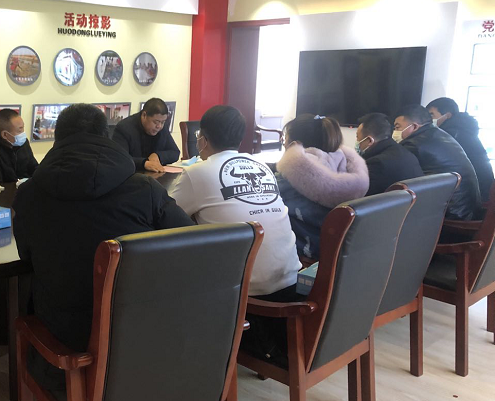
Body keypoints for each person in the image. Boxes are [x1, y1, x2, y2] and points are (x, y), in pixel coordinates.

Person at [13, 103, 193, 390]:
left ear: (57, 138)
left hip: (63, 334)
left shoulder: (28, 195)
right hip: (138, 329)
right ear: (105, 136)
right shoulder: (145, 190)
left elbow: (27, 257)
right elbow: (190, 241)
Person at [170, 105, 301, 297]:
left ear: (203, 140)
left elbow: (166, 217)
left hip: (240, 293)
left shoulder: (196, 172)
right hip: (291, 281)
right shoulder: (261, 165)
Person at [275, 115, 369, 260]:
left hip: (303, 258)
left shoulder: (286, 182)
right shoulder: (346, 169)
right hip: (341, 257)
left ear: (294, 144)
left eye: (284, 139)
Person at [394, 104, 480, 220]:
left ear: (414, 127)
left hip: (450, 214)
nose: (395, 132)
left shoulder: (414, 144)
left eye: (397, 127)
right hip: (466, 209)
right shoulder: (437, 134)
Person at [427, 97, 494, 201]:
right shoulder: (463, 130)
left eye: (432, 115)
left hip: (472, 194)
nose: (428, 119)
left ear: (447, 115)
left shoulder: (451, 135)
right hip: (480, 189)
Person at [356, 112, 423, 196]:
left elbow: (359, 196)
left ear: (369, 141)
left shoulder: (377, 163)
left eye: (357, 137)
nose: (357, 142)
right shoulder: (406, 153)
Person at [112, 97, 180, 172]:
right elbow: (120, 158)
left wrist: (158, 155)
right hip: (132, 174)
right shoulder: (124, 128)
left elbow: (175, 152)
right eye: (156, 122)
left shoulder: (161, 127)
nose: (159, 126)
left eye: (163, 122)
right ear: (144, 115)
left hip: (155, 175)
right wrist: (144, 163)